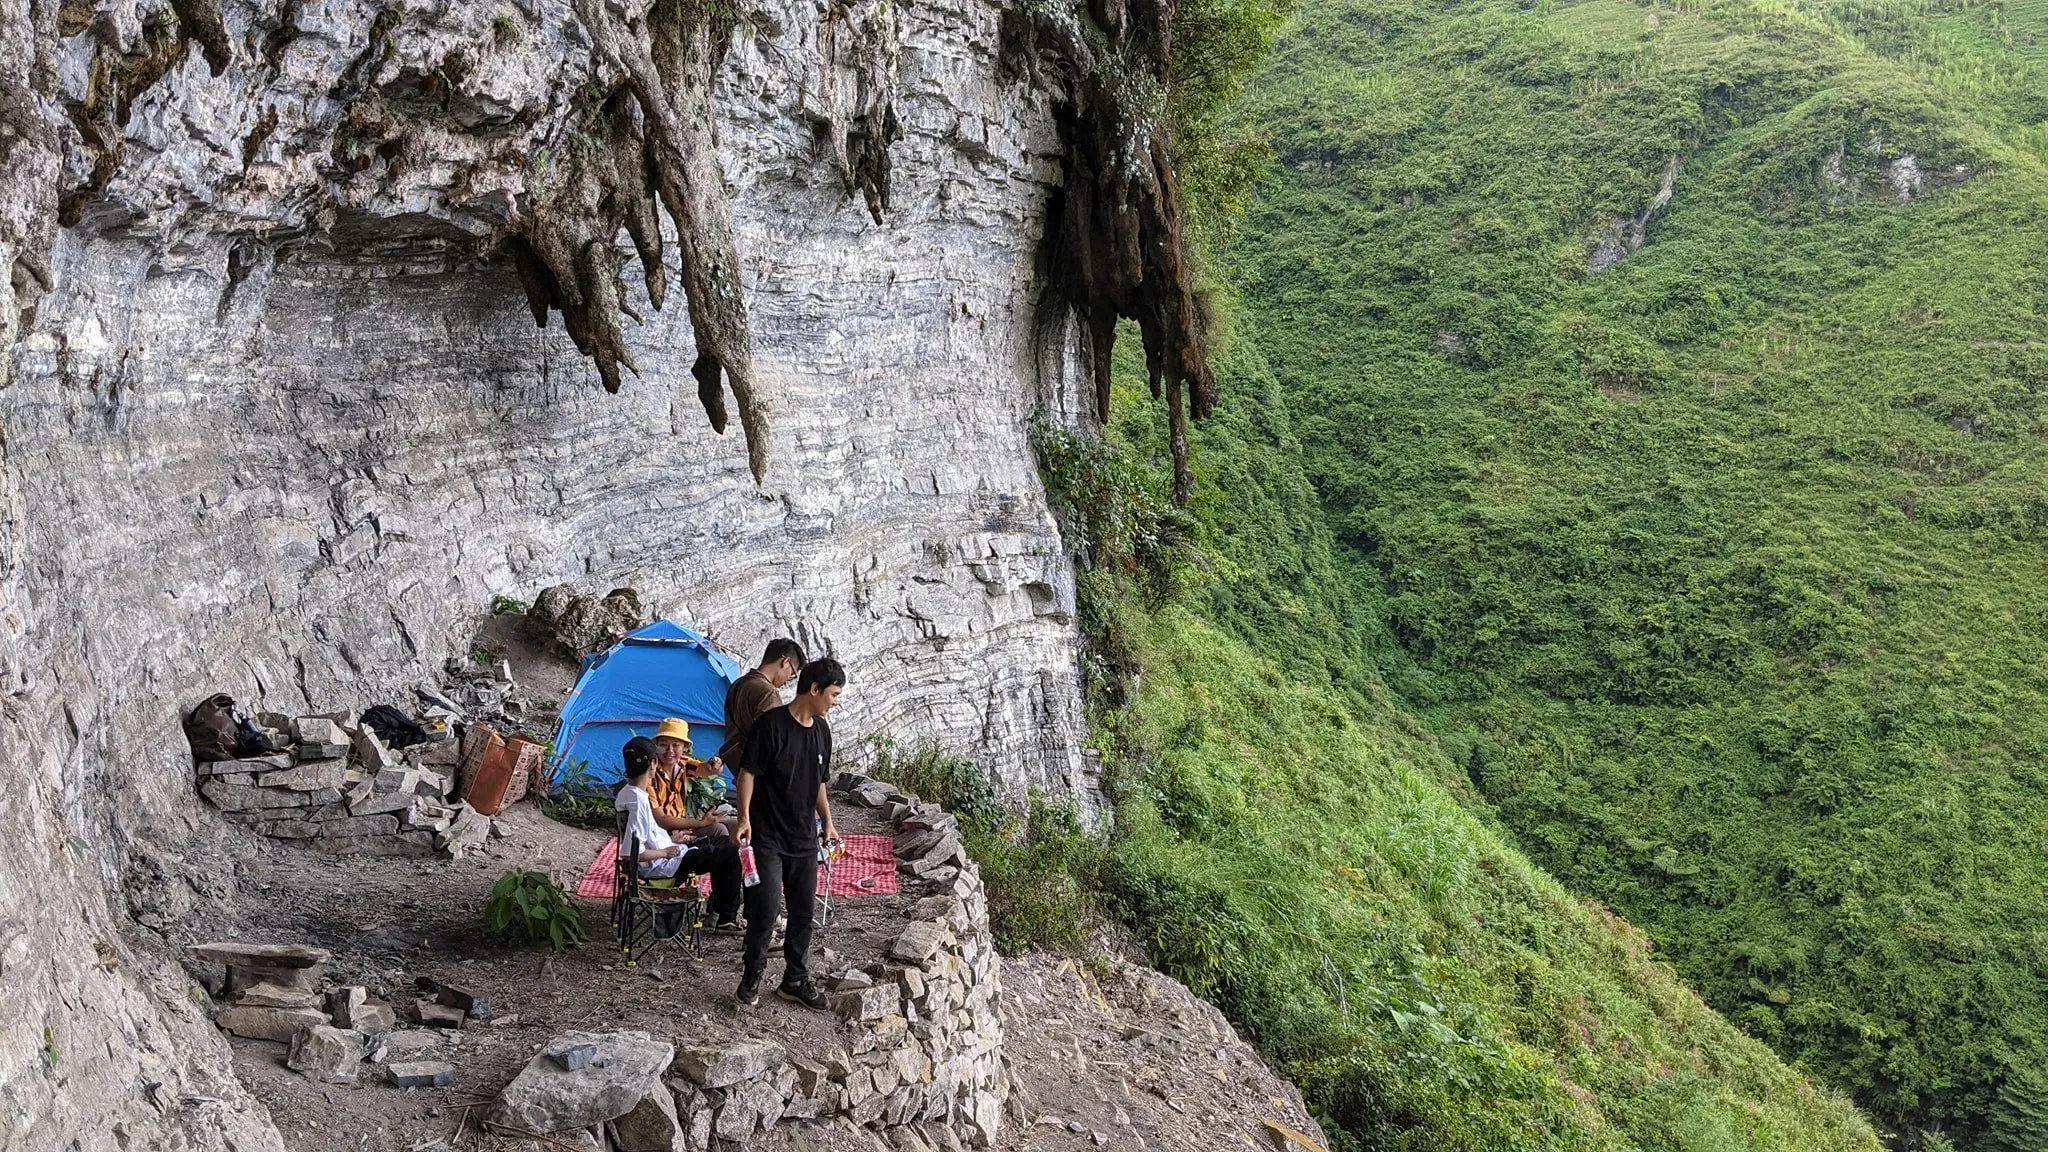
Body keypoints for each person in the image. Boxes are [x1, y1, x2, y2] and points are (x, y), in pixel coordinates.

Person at [734, 657, 844, 1009]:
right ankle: (752, 974)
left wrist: (827, 822)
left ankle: (794, 978)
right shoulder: (771, 726)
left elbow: (819, 783)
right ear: (814, 690)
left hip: (803, 838)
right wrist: (743, 819)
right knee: (765, 909)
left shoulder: (822, 732)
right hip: (767, 835)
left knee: (802, 912)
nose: (836, 701)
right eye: (834, 694)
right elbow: (747, 773)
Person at [614, 736, 743, 933]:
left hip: (669, 851)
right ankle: (726, 917)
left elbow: (645, 835)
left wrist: (669, 840)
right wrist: (666, 852)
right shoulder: (638, 802)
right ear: (653, 764)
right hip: (665, 865)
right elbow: (632, 854)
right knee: (730, 850)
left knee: (722, 841)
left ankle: (721, 913)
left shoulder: (628, 793)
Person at [719, 639, 805, 771]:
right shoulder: (767, 692)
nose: (788, 680)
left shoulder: (738, 684)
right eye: (792, 674)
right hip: (758, 773)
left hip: (737, 765)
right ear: (785, 662)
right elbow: (774, 739)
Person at [647, 718, 729, 837]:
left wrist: (716, 764)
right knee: (718, 830)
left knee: (735, 824)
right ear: (657, 746)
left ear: (684, 748)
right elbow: (661, 819)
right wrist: (700, 823)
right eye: (663, 745)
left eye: (676, 745)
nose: (669, 751)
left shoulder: (684, 764)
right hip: (662, 834)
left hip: (683, 826)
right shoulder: (650, 774)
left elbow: (707, 770)